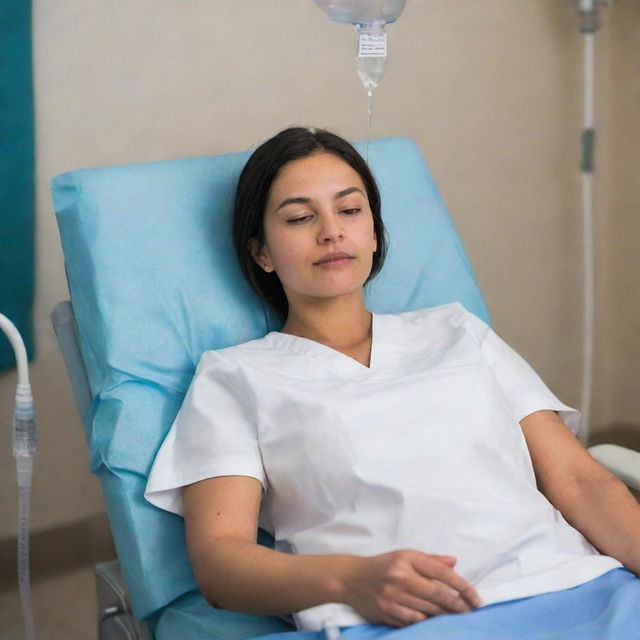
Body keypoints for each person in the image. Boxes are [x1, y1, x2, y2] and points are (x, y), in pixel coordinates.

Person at [144, 126, 640, 639]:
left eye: (350, 210)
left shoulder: (457, 330)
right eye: (299, 217)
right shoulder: (235, 377)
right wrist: (349, 580)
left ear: (374, 233)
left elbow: (580, 482)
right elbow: (221, 565)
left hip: (579, 589)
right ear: (262, 253)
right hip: (403, 623)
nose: (331, 232)